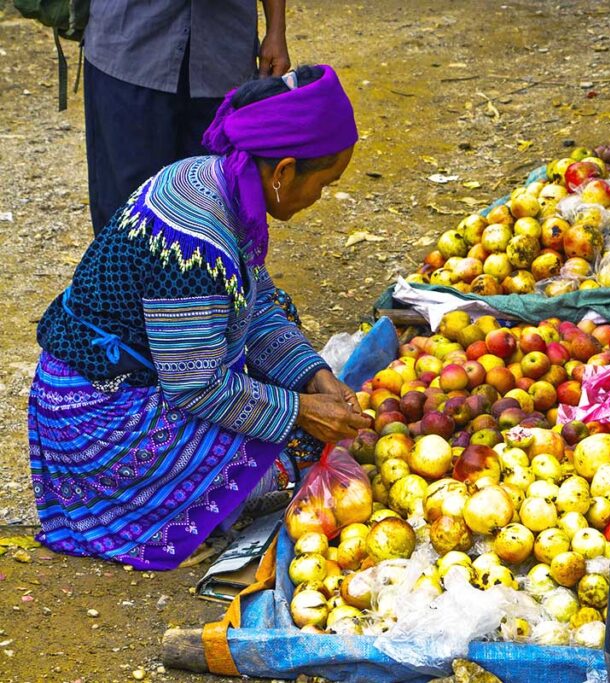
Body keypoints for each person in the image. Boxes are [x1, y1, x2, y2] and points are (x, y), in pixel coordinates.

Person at [29, 65, 370, 570]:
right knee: (287, 462)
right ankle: (125, 508)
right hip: (97, 417)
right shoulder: (196, 242)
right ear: (283, 172)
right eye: (324, 182)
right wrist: (302, 410)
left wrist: (315, 376)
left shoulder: (223, 183)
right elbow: (195, 388)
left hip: (143, 379)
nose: (321, 198)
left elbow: (258, 311)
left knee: (289, 375)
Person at [83, 1, 290, 236]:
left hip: (224, 56)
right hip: (130, 49)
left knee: (212, 212)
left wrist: (276, 29)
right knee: (125, 209)